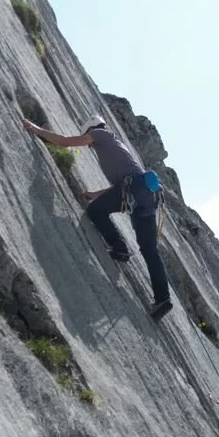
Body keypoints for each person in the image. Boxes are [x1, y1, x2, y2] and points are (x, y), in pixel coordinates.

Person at [23, 113, 173, 320]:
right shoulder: (116, 145)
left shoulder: (99, 134)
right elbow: (121, 186)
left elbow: (66, 142)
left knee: (96, 211)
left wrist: (36, 129)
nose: (90, 146)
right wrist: (94, 194)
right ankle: (163, 298)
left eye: (89, 140)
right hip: (147, 194)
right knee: (149, 250)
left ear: (91, 129)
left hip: (134, 189)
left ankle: (120, 248)